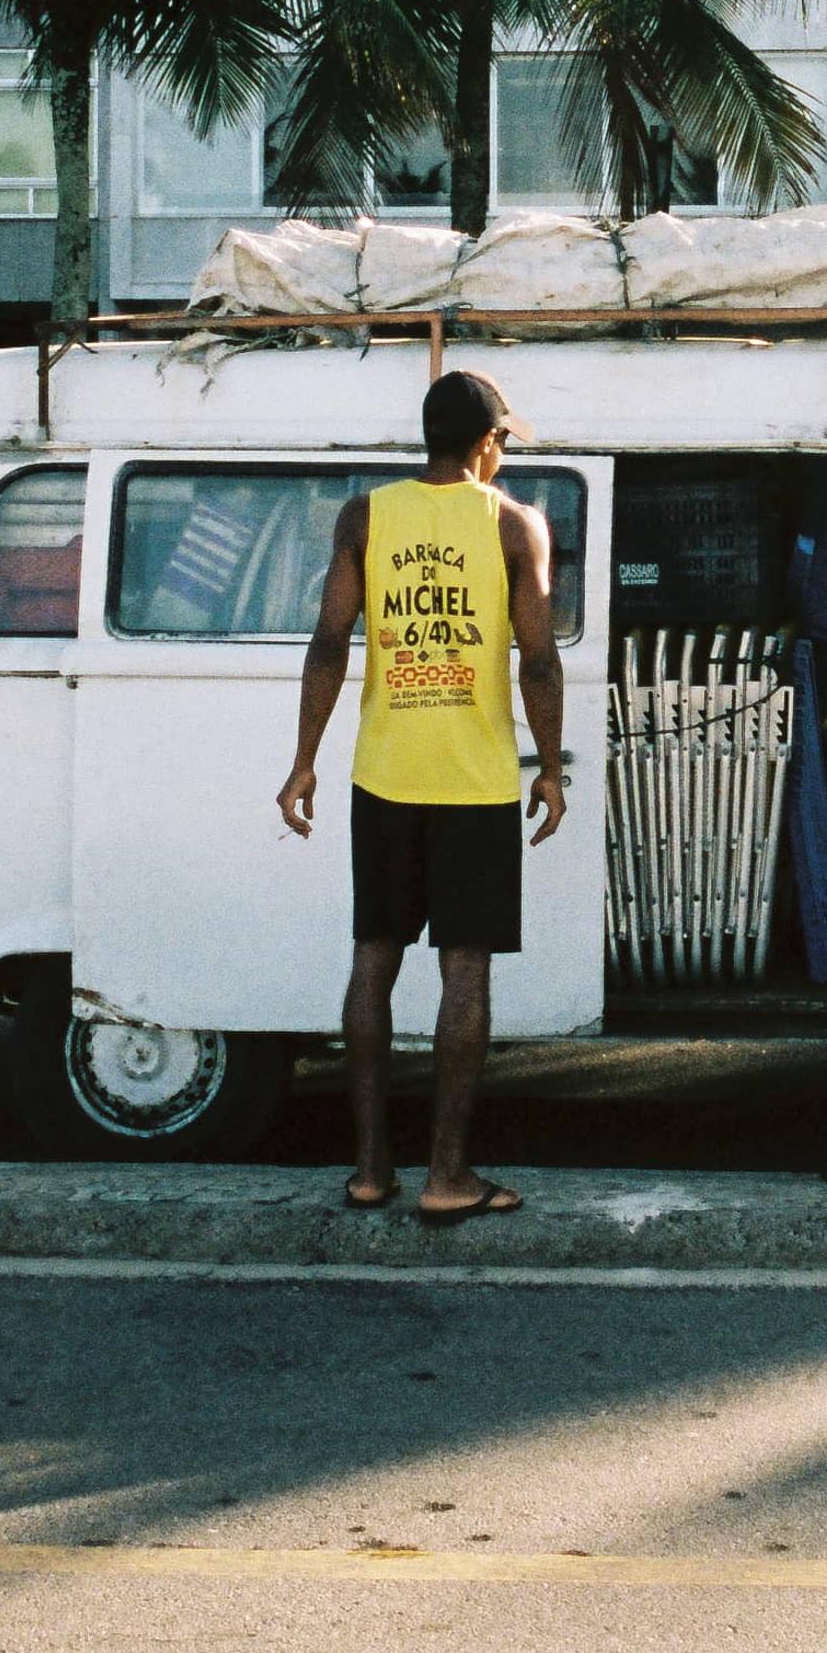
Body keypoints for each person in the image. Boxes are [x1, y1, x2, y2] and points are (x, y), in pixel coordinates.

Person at [278, 369, 569, 1228]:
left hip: (385, 774)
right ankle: (448, 1172)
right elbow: (540, 658)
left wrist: (304, 761)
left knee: (375, 956)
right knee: (464, 969)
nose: (504, 454)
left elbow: (329, 640)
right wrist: (549, 767)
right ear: (485, 444)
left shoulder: (366, 516)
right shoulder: (517, 525)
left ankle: (371, 1169)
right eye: (504, 441)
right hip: (474, 781)